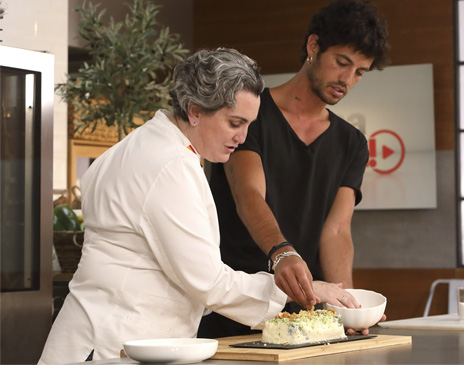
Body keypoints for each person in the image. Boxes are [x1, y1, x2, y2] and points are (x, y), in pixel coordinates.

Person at [38, 48, 357, 364]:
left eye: (248, 124)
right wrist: (300, 288)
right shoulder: (169, 164)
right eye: (235, 123)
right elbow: (208, 282)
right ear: (194, 110)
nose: (242, 137)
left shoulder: (133, 148)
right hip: (112, 343)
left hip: (105, 338)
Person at [198, 0, 390, 339]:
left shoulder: (352, 142)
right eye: (341, 63)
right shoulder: (252, 115)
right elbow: (249, 195)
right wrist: (282, 253)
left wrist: (348, 307)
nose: (346, 79)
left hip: (307, 309)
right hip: (237, 300)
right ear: (313, 46)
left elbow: (337, 232)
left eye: (359, 72)